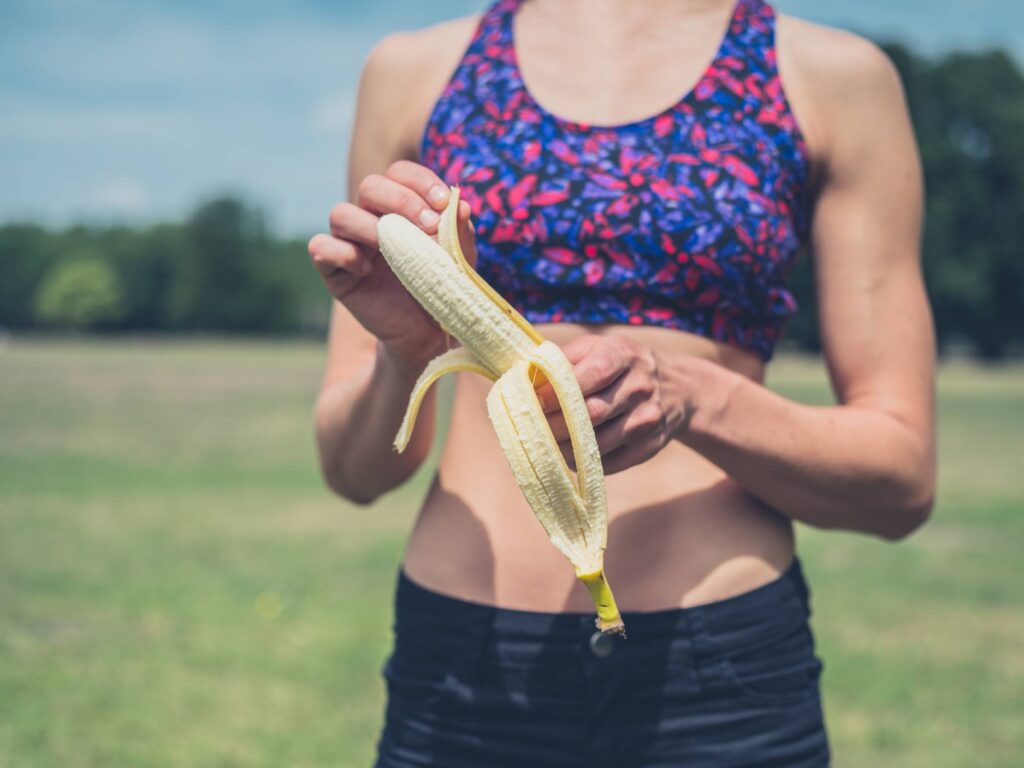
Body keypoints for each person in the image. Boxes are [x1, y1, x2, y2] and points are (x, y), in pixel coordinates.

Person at [307, 0, 936, 764]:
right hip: (462, 672)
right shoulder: (414, 70)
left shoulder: (833, 77)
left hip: (717, 674)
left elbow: (901, 479)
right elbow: (353, 470)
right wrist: (408, 351)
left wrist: (695, 397)